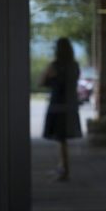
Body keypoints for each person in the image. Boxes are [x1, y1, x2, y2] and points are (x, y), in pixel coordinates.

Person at [41, 37, 82, 181]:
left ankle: (64, 170)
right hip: (70, 105)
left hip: (58, 105)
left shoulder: (55, 65)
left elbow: (42, 82)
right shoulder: (75, 65)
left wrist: (49, 75)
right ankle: (62, 167)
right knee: (62, 139)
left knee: (61, 138)